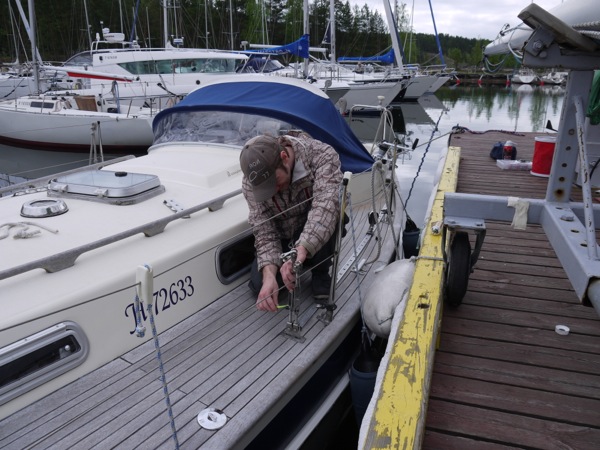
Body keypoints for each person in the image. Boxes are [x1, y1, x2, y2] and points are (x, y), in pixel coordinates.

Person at [240, 132, 343, 312]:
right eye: (265, 188)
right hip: (284, 235)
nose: (272, 191)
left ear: (284, 157)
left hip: (312, 225)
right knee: (260, 285)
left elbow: (324, 208)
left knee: (331, 215)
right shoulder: (251, 183)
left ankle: (320, 272)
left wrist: (301, 249)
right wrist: (269, 275)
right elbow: (264, 230)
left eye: (274, 182)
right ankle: (294, 265)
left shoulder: (322, 155)